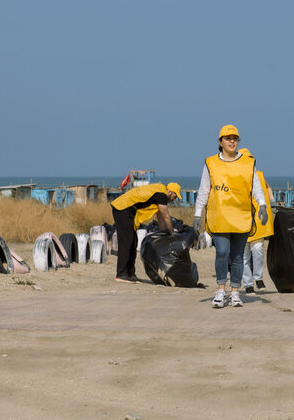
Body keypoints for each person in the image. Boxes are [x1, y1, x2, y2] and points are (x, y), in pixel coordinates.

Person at [194, 125, 268, 308]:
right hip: (219, 217)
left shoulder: (248, 163)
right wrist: (197, 215)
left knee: (237, 256)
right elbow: (204, 190)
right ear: (220, 142)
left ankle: (235, 292)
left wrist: (263, 206)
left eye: (235, 138)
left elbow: (255, 186)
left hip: (241, 217)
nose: (232, 141)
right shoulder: (211, 163)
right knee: (222, 252)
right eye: (227, 138)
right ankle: (221, 289)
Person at [110, 181, 182, 283]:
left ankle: (130, 273)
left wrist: (163, 234)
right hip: (122, 208)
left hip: (127, 210)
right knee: (127, 241)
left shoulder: (160, 192)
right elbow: (166, 217)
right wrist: (172, 234)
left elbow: (160, 218)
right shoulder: (162, 195)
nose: (174, 200)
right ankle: (121, 274)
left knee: (133, 241)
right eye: (174, 197)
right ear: (170, 192)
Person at [238, 148, 274, 294]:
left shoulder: (259, 175)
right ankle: (248, 284)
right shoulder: (237, 176)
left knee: (257, 249)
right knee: (244, 253)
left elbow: (267, 187)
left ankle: (258, 278)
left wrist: (272, 201)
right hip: (241, 218)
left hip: (258, 219)